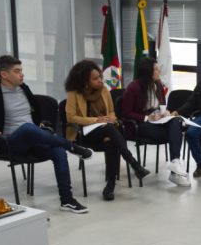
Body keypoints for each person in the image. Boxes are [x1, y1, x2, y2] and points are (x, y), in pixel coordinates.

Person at [0, 55, 91, 213]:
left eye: (21, 70)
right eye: (17, 71)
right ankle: (72, 146)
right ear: (4, 74)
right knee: (27, 128)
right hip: (9, 142)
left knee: (58, 152)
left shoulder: (23, 88)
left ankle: (67, 200)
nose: (22, 74)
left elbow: (35, 112)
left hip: (33, 139)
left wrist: (40, 123)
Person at [64, 60, 150, 201]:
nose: (100, 80)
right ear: (85, 81)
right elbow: (71, 117)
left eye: (100, 77)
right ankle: (134, 164)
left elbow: (111, 111)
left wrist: (110, 118)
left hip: (106, 130)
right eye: (95, 78)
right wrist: (96, 120)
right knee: (110, 130)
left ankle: (110, 186)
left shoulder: (103, 90)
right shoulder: (74, 93)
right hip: (84, 133)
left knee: (110, 140)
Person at [122, 58, 190, 187]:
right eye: (157, 69)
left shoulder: (158, 84)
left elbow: (161, 104)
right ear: (148, 72)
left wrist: (165, 112)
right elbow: (126, 113)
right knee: (175, 134)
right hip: (140, 124)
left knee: (176, 120)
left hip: (158, 121)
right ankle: (175, 172)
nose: (159, 71)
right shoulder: (133, 87)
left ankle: (175, 163)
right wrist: (147, 118)